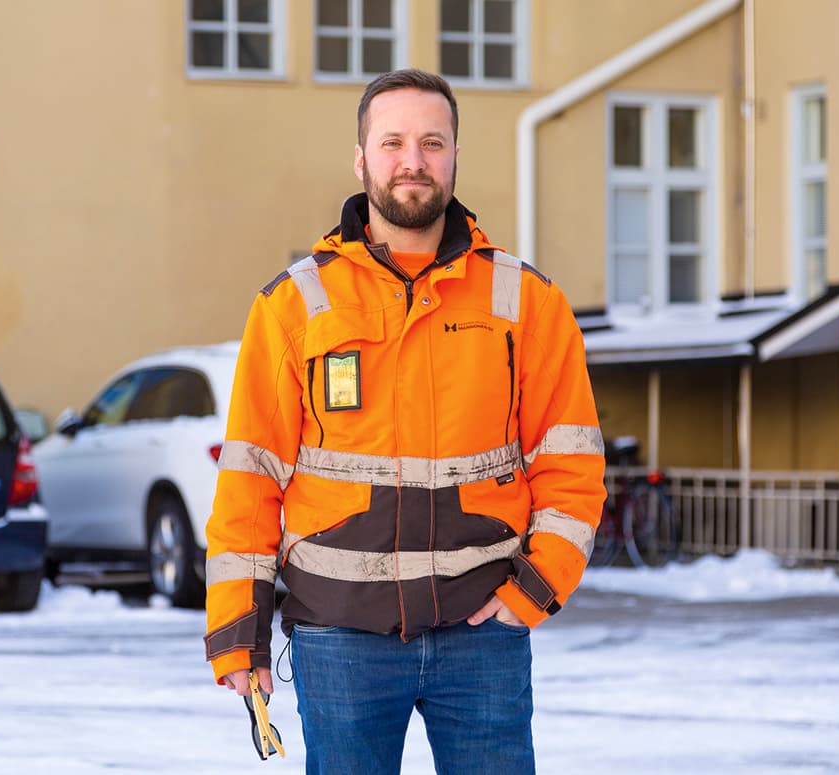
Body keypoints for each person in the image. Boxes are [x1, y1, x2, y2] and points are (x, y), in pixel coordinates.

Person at [203, 68, 606, 774]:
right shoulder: (293, 304)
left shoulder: (526, 302)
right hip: (339, 641)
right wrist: (240, 633)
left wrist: (534, 589)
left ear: (455, 156)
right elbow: (250, 479)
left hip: (483, 634)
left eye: (432, 142)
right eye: (391, 142)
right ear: (361, 159)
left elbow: (571, 464)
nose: (412, 161)